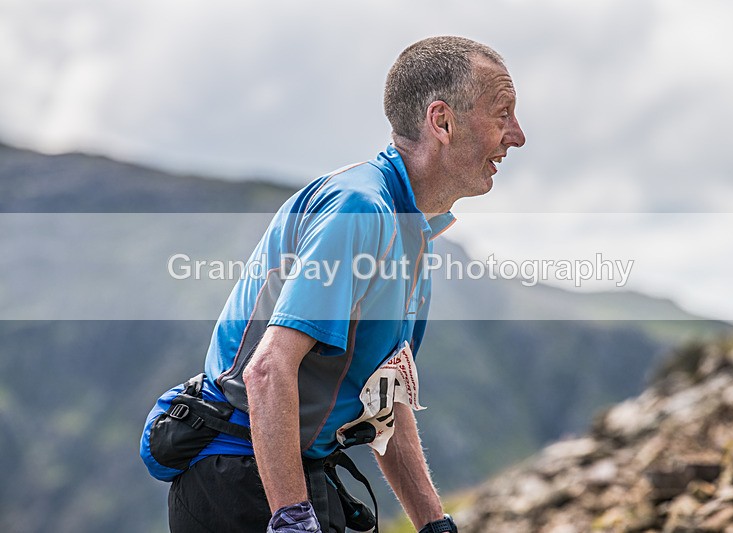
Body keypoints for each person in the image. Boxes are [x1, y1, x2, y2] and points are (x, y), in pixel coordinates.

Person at [167, 35, 525, 533]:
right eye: (502, 113)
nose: (517, 135)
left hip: (286, 473)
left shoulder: (410, 229)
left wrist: (433, 524)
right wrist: (291, 519)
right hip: (243, 478)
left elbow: (385, 397)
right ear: (441, 121)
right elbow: (268, 370)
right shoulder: (360, 209)